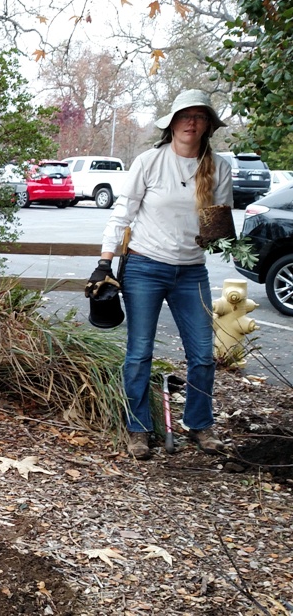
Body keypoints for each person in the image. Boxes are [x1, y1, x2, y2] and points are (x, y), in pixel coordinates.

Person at [88, 89, 233, 460]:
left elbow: (217, 228)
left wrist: (219, 236)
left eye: (199, 116)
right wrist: (105, 263)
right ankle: (138, 429)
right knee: (139, 353)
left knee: (202, 355)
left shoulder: (219, 168)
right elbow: (122, 214)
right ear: (171, 123)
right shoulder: (149, 162)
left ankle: (199, 424)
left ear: (208, 126)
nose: (191, 122)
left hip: (191, 272)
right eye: (185, 115)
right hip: (145, 267)